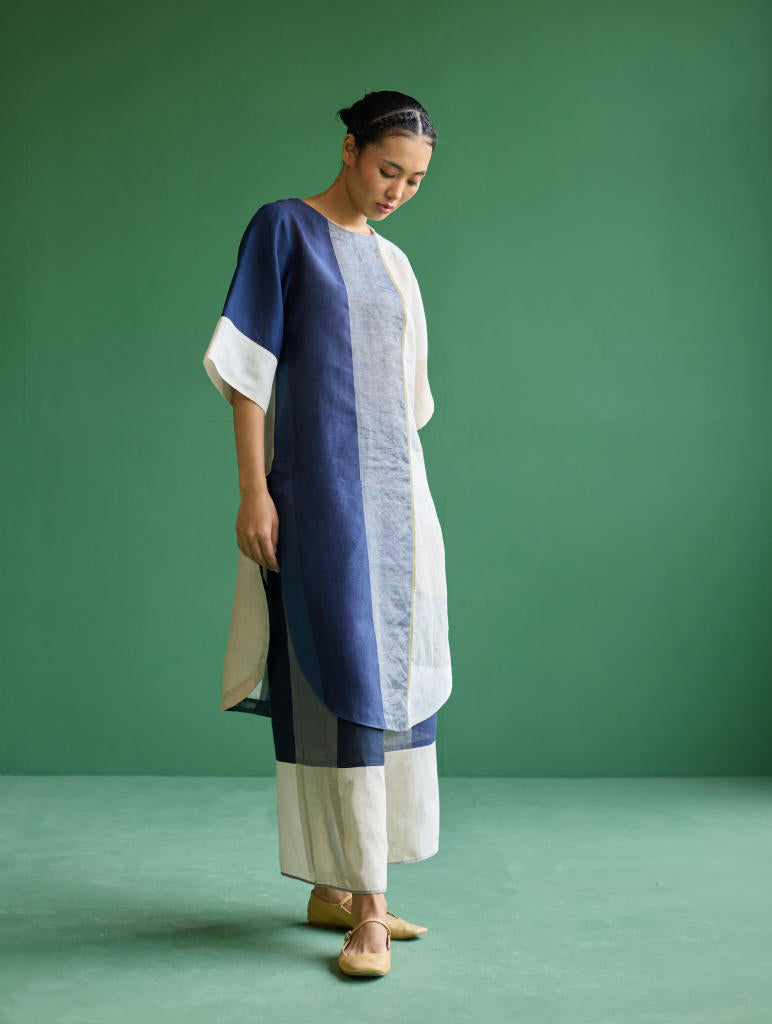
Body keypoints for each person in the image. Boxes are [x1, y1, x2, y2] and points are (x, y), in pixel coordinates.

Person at [202, 90, 452, 978]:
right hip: (319, 498)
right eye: (388, 169)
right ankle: (369, 913)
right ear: (349, 149)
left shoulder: (393, 262)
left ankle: (337, 887)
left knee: (395, 674)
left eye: (414, 181)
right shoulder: (284, 229)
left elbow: (406, 404)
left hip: (400, 501)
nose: (397, 192)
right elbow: (248, 371)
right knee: (342, 677)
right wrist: (254, 492)